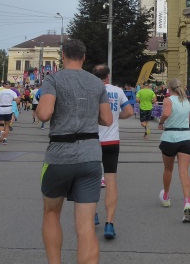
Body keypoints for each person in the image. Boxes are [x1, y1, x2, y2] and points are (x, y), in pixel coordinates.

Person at [37, 39, 112, 264]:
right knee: (86, 226)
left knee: (51, 213)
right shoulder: (97, 83)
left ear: (63, 55)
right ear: (84, 57)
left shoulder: (53, 79)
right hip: (90, 157)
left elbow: (44, 114)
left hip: (59, 156)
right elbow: (107, 119)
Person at [92, 64, 133, 239]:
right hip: (112, 141)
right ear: (108, 76)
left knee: (91, 180)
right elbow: (129, 111)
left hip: (92, 141)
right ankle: (110, 223)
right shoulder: (117, 91)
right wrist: (117, 117)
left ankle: (92, 214)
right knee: (111, 181)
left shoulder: (90, 90)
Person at [157, 78, 190, 223]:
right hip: (185, 136)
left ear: (169, 88)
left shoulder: (168, 100)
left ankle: (166, 196)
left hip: (170, 137)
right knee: (184, 172)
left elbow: (166, 113)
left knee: (168, 169)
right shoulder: (186, 101)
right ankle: (187, 202)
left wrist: (161, 122)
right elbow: (188, 119)